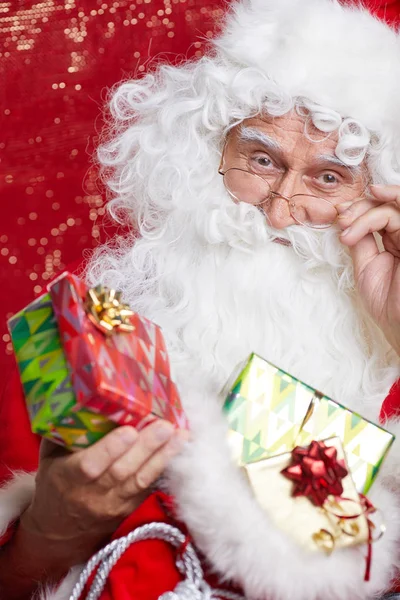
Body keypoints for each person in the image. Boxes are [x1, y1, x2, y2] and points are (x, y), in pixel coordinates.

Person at [1, 0, 400, 598]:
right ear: (198, 156)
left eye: (327, 178)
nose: (280, 206)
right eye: (261, 159)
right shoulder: (68, 350)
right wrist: (48, 534)